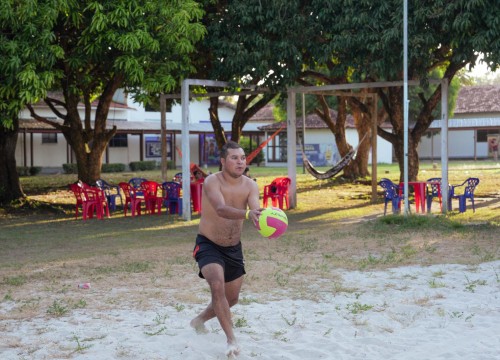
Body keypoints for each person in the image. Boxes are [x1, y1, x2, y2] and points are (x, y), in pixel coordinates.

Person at [190, 141, 263, 357]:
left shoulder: (251, 185)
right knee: (216, 284)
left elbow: (255, 209)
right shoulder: (212, 181)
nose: (240, 161)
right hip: (208, 244)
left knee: (232, 299)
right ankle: (231, 339)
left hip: (233, 248)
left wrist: (263, 220)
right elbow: (221, 209)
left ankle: (199, 320)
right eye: (234, 158)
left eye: (242, 157)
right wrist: (248, 215)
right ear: (223, 161)